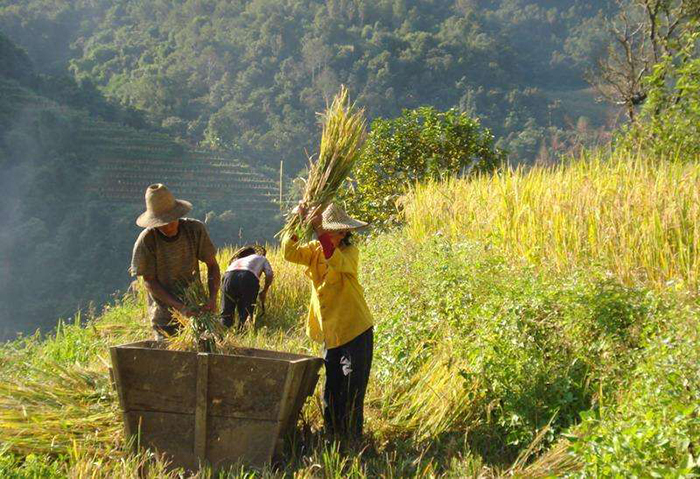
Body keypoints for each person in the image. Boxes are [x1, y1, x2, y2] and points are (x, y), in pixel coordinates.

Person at [282, 202, 374, 438]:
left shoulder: (349, 253)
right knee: (331, 387)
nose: (341, 235)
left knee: (352, 385)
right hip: (331, 331)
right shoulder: (313, 250)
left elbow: (336, 261)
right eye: (337, 230)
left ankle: (352, 438)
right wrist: (297, 222)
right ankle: (332, 434)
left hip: (355, 328)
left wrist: (320, 231)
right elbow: (289, 253)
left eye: (343, 232)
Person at [130, 183, 220, 340]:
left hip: (196, 311)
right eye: (162, 222)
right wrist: (179, 307)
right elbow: (149, 281)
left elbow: (212, 265)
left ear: (177, 214)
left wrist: (212, 299)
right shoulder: (147, 241)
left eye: (171, 220)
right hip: (165, 317)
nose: (168, 226)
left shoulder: (195, 230)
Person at [220, 245, 274, 328]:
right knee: (246, 312)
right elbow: (269, 274)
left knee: (226, 312)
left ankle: (223, 333)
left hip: (228, 277)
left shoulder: (236, 261)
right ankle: (243, 332)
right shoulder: (261, 258)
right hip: (247, 276)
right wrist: (264, 291)